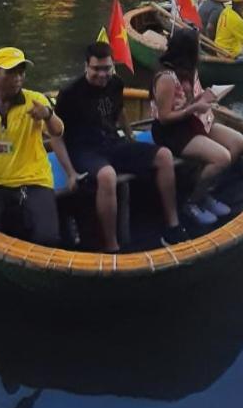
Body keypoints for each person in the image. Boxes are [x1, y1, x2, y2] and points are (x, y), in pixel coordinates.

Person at [55, 41, 186, 252]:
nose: (102, 74)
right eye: (96, 69)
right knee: (107, 176)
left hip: (111, 141)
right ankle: (111, 246)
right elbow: (55, 135)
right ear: (86, 66)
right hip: (83, 148)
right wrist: (70, 172)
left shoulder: (116, 83)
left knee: (164, 156)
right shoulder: (70, 93)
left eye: (107, 68)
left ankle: (173, 225)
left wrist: (129, 136)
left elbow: (121, 111)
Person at [0, 47, 70, 247]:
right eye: (11, 72)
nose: (18, 78)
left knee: (47, 239)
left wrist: (47, 114)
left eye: (21, 72)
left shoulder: (35, 100)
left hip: (35, 180)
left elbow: (58, 131)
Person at [151, 26, 243, 227]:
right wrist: (194, 107)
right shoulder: (167, 78)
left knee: (238, 142)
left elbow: (192, 98)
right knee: (222, 157)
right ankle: (192, 202)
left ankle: (206, 191)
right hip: (172, 130)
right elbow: (164, 117)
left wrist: (208, 98)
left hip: (194, 120)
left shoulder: (190, 70)